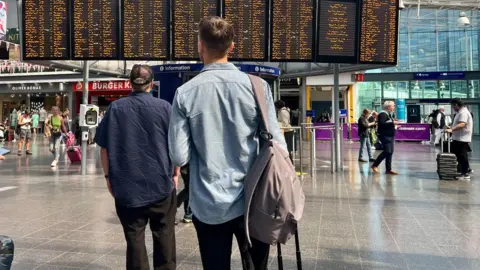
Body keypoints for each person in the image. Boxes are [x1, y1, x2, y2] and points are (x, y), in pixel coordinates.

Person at [168, 16, 287, 270]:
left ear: (200, 45)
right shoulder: (258, 87)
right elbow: (279, 146)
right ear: (232, 47)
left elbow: (178, 156)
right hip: (255, 202)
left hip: (208, 204)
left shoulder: (185, 93)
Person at [95, 64, 179, 270]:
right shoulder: (165, 108)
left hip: (126, 186)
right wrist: (175, 173)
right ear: (152, 84)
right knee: (164, 234)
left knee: (134, 239)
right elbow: (177, 146)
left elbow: (103, 148)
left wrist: (108, 177)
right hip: (161, 184)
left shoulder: (115, 108)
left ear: (129, 84)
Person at [446, 98, 473, 180]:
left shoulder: (463, 113)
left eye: (452, 105)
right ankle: (463, 170)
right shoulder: (460, 112)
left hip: (462, 138)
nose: (452, 107)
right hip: (459, 138)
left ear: (456, 104)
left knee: (462, 156)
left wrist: (451, 129)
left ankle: (465, 173)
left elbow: (462, 124)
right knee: (459, 156)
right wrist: (451, 128)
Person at [371, 101, 398, 175]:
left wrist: (394, 125)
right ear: (388, 107)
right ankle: (375, 165)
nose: (394, 107)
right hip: (385, 136)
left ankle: (388, 169)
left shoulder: (389, 114)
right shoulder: (383, 114)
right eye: (393, 106)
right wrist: (392, 123)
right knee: (387, 151)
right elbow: (382, 124)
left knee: (390, 152)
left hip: (390, 135)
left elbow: (387, 123)